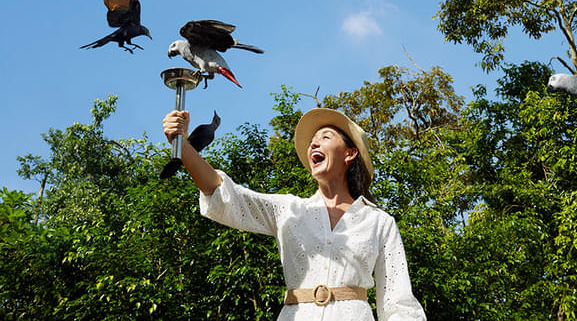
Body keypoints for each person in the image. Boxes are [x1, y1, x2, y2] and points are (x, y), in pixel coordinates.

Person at [162, 107, 426, 320]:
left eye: (325, 137)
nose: (313, 145)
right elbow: (226, 196)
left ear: (350, 153)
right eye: (311, 142)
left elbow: (398, 303)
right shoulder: (289, 209)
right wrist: (183, 146)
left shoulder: (379, 222)